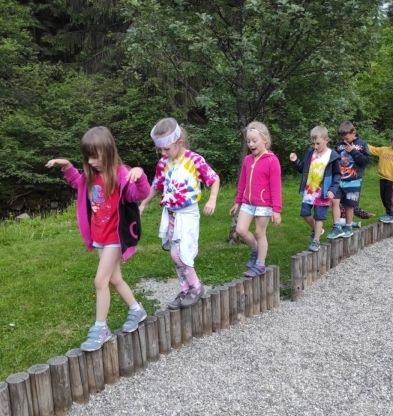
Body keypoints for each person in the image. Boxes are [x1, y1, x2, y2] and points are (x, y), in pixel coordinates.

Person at [45, 126, 150, 351]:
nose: (91, 162)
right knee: (114, 279)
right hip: (99, 237)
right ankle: (137, 309)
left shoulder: (121, 174)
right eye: (87, 158)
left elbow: (138, 194)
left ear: (108, 150)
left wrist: (140, 174)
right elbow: (77, 182)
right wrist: (67, 166)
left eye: (95, 156)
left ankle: (101, 327)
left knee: (100, 281)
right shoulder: (91, 176)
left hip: (114, 237)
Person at [139, 117, 220, 310]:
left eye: (166, 149)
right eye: (160, 149)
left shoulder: (194, 160)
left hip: (187, 214)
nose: (163, 153)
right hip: (170, 214)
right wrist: (142, 204)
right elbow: (155, 186)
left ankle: (196, 287)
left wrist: (212, 199)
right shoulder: (163, 163)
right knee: (174, 254)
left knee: (181, 254)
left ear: (180, 142)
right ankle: (185, 289)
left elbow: (214, 179)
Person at [230, 121, 282, 276]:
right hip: (247, 203)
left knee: (260, 233)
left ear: (264, 139)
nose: (251, 144)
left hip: (264, 205)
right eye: (248, 141)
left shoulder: (272, 161)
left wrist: (276, 210)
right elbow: (242, 182)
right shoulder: (247, 160)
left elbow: (276, 187)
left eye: (254, 140)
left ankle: (260, 264)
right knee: (240, 230)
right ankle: (255, 249)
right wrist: (237, 201)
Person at [289, 126, 341, 252]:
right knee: (305, 213)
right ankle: (318, 230)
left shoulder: (332, 155)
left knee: (319, 217)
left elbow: (337, 175)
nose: (315, 146)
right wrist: (295, 161)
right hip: (309, 191)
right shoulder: (310, 153)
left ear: (326, 140)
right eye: (313, 144)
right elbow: (303, 170)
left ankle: (316, 240)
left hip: (323, 192)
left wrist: (332, 190)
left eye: (318, 143)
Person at [327, 121, 370, 239]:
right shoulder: (339, 146)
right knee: (335, 202)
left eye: (346, 138)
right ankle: (336, 227)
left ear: (354, 133)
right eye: (342, 138)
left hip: (353, 181)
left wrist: (353, 151)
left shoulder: (362, 144)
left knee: (349, 205)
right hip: (338, 180)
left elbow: (365, 161)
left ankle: (348, 226)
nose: (344, 141)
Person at [367, 131, 393, 224]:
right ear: (391, 141)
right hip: (383, 178)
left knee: (389, 198)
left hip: (391, 180)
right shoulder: (384, 150)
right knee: (383, 197)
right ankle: (388, 213)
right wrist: (362, 144)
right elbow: (373, 149)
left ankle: (391, 214)